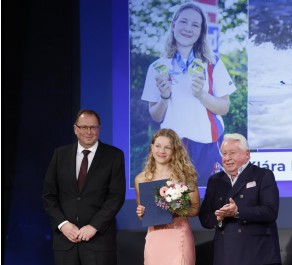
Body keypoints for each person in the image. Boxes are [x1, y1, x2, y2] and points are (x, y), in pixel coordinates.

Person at [141, 2, 237, 186]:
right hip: (173, 147)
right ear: (174, 24)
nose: (188, 28)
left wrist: (201, 94)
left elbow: (224, 107)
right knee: (176, 206)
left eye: (195, 25)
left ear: (201, 32)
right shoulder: (156, 67)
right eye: (183, 22)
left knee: (212, 203)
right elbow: (156, 115)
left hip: (208, 144)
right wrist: (164, 96)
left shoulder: (212, 63)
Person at [42, 109, 126, 265]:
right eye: (84, 127)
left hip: (99, 243)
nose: (89, 131)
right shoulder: (60, 154)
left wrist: (94, 226)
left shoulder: (114, 156)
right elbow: (49, 195)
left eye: (93, 127)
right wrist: (63, 224)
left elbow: (116, 196)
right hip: (66, 243)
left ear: (99, 129)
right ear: (75, 129)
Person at [199, 133, 282, 265]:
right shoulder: (215, 181)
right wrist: (219, 217)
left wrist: (238, 212)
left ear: (247, 154)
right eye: (224, 153)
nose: (227, 158)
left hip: (258, 254)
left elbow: (270, 211)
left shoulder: (262, 175)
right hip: (226, 254)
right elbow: (205, 217)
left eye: (232, 153)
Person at [135, 128, 200, 265]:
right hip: (154, 239)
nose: (161, 151)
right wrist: (140, 212)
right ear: (152, 148)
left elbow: (195, 208)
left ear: (175, 150)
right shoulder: (141, 179)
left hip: (178, 236)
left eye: (167, 147)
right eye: (158, 146)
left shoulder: (185, 176)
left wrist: (178, 210)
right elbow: (143, 214)